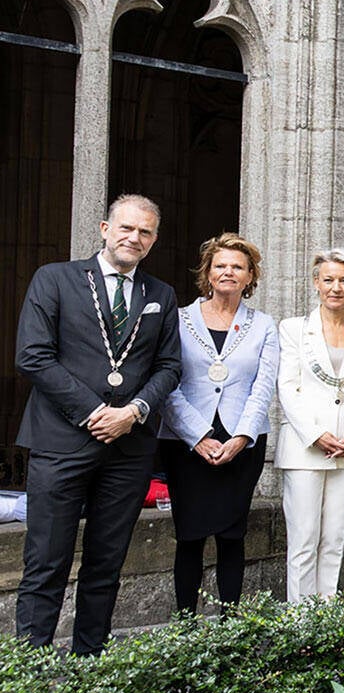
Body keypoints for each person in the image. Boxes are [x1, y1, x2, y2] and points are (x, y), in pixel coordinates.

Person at [14, 194, 182, 655]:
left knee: (106, 566)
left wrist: (133, 413)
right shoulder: (56, 279)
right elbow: (32, 355)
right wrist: (93, 413)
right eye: (127, 228)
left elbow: (169, 367)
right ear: (105, 228)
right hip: (61, 442)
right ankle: (30, 674)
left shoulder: (160, 296)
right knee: (46, 562)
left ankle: (90, 667)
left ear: (153, 240)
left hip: (127, 451)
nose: (135, 238)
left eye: (145, 232)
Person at [159, 233, 279, 614]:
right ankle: (185, 624)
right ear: (208, 274)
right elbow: (166, 383)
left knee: (232, 535)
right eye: (220, 266)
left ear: (250, 276)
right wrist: (198, 436)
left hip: (241, 443)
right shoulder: (178, 319)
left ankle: (230, 624)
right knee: (190, 536)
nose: (228, 272)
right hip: (186, 443)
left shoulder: (263, 325)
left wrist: (242, 437)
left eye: (237, 267)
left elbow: (264, 385)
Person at [275, 249, 344, 601]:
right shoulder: (293, 328)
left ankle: (326, 617)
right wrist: (316, 434)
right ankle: (300, 622)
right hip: (306, 448)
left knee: (335, 538)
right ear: (316, 283)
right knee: (304, 540)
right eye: (328, 280)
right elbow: (287, 386)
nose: (335, 288)